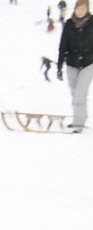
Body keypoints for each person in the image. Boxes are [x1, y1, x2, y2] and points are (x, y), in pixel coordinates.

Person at [57, 0, 93, 133]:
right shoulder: (69, 24)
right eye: (78, 8)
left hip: (88, 64)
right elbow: (63, 46)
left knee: (80, 94)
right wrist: (59, 65)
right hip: (71, 63)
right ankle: (80, 118)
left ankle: (79, 123)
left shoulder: (92, 23)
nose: (80, 11)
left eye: (83, 8)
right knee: (74, 93)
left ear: (87, 9)